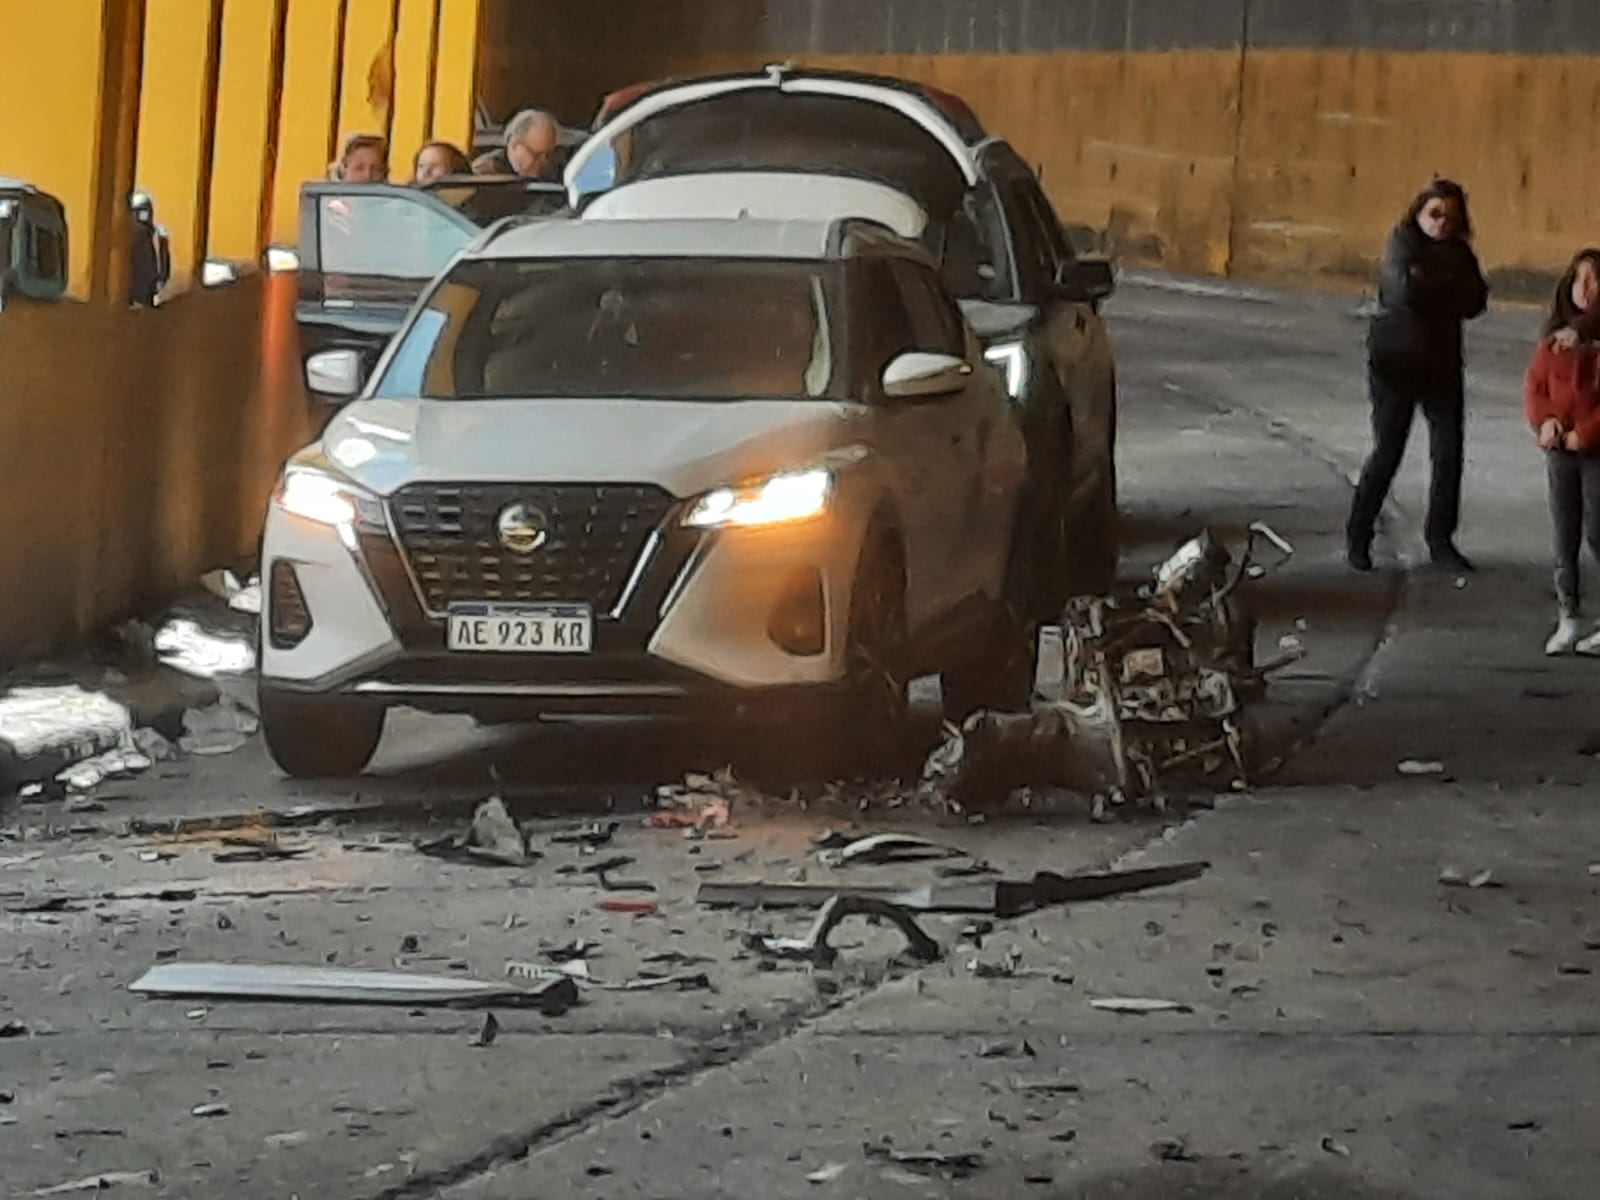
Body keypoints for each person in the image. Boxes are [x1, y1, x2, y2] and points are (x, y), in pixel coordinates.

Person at [1346, 178, 1489, 573]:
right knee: (1388, 451)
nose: (1441, 223)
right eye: (1435, 214)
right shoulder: (1401, 242)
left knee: (1448, 455)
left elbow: (1476, 299)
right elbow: (1405, 292)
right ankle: (1358, 537)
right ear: (1419, 211)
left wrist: (1435, 285)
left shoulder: (1459, 252)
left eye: (1450, 217)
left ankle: (1441, 540)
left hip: (1441, 366)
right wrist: (1446, 291)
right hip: (1396, 364)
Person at [1524, 248, 1600, 654]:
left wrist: (1584, 435)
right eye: (1578, 279)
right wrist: (1546, 422)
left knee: (1598, 530)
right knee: (1564, 532)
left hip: (1593, 452)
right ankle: (1568, 615)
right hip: (1560, 451)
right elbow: (1536, 387)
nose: (1584, 289)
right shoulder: (1555, 339)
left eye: (1593, 280)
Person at [473, 108, 565, 180]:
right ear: (514, 145)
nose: (544, 163)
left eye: (548, 155)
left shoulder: (557, 173)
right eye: (536, 155)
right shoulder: (484, 174)